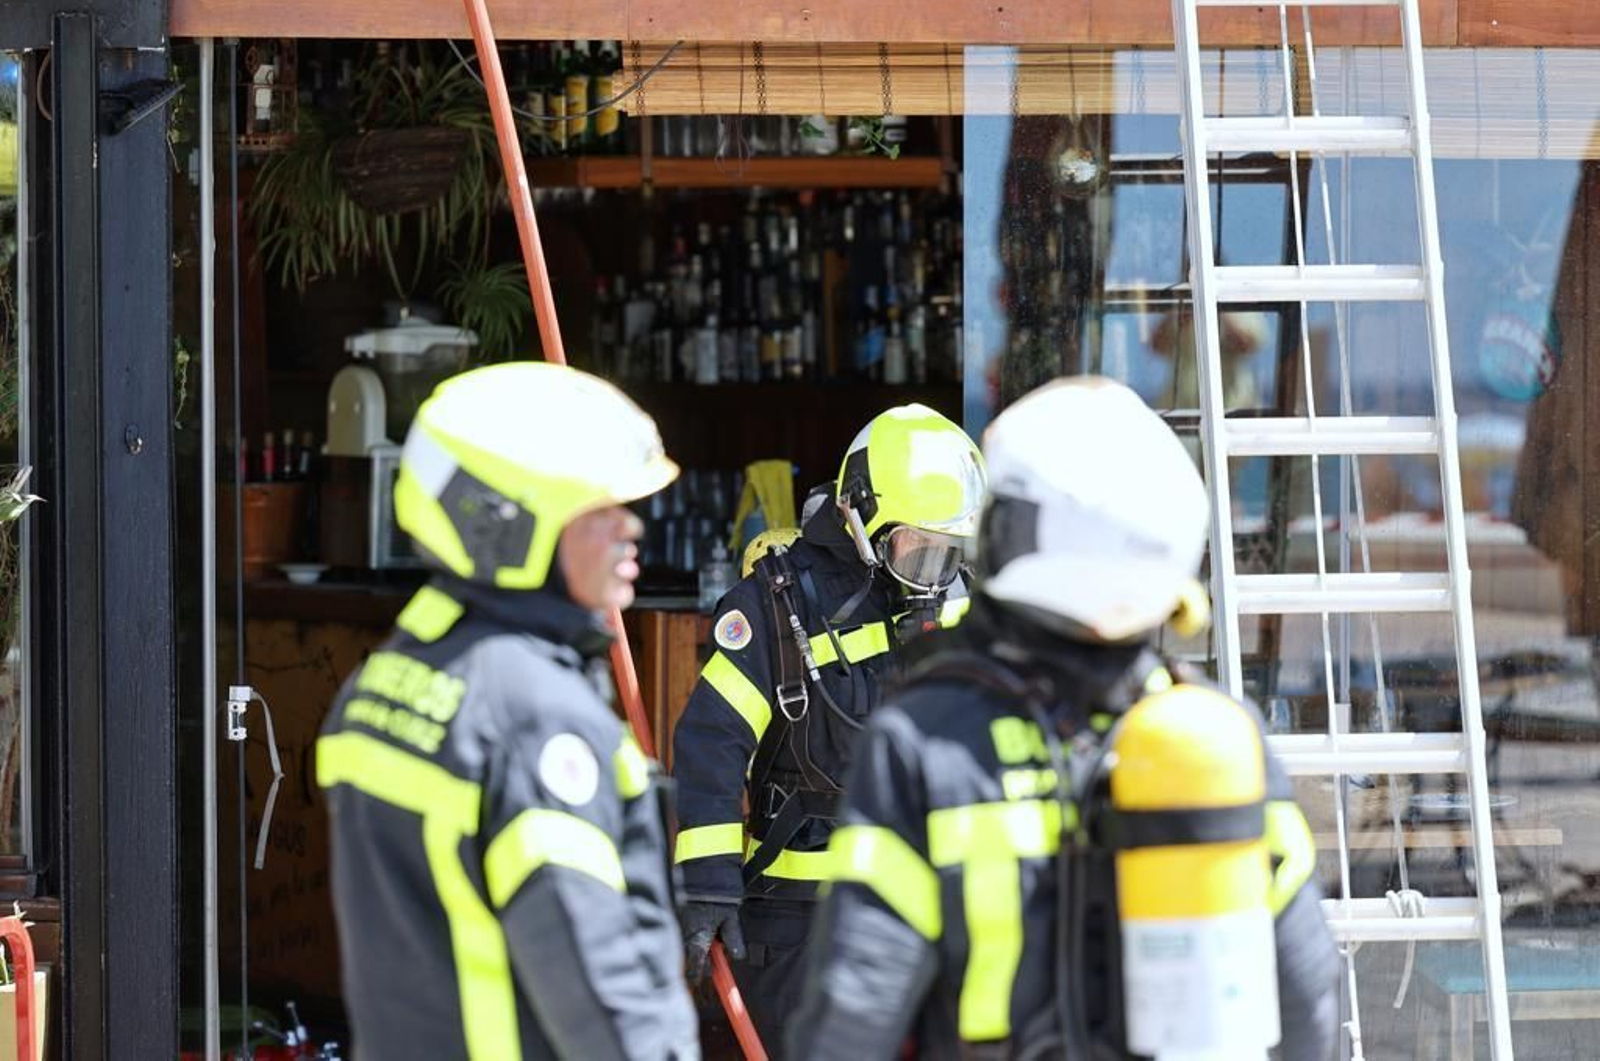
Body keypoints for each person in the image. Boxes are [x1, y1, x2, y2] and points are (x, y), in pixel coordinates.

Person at [791, 376, 1339, 1060]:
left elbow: (853, 1012)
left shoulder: (925, 741)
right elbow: (1308, 1000)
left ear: (1010, 536)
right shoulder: (1221, 737)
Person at [317, 362, 698, 1060]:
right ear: (509, 525)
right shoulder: (537, 718)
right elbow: (599, 993)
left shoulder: (387, 677)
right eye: (596, 510)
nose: (631, 527)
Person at [672, 403, 987, 1052]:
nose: (933, 575)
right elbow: (711, 742)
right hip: (798, 922)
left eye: (948, 553)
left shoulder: (959, 602)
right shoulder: (775, 605)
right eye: (918, 549)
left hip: (932, 909)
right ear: (861, 516)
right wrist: (707, 881)